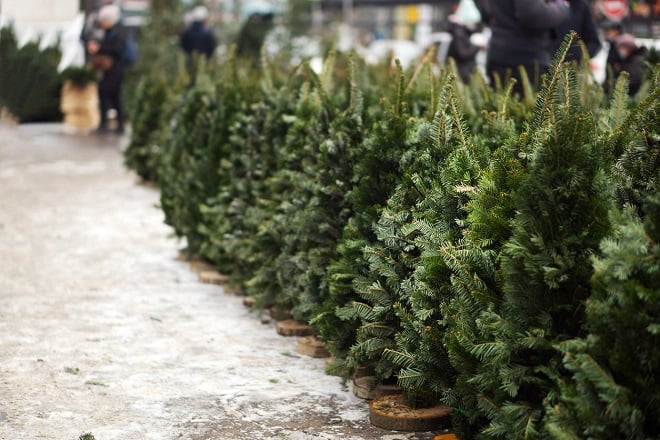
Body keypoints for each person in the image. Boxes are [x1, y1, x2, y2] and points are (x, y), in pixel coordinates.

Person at [478, 0, 570, 95]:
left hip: (500, 53)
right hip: (526, 60)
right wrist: (562, 6)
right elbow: (533, 14)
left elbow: (484, 11)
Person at [86, 4, 128, 134]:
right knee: (111, 96)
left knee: (109, 95)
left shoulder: (119, 31)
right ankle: (112, 124)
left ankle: (111, 124)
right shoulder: (108, 31)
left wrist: (100, 48)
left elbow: (118, 49)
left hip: (116, 69)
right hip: (109, 69)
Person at [447, 0, 483, 83]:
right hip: (462, 76)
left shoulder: (462, 33)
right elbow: (463, 53)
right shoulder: (459, 34)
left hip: (463, 74)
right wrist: (477, 47)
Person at [601, 19, 624, 93]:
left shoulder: (622, 46)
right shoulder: (613, 45)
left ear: (616, 31)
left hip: (618, 89)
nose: (605, 33)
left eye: (608, 30)